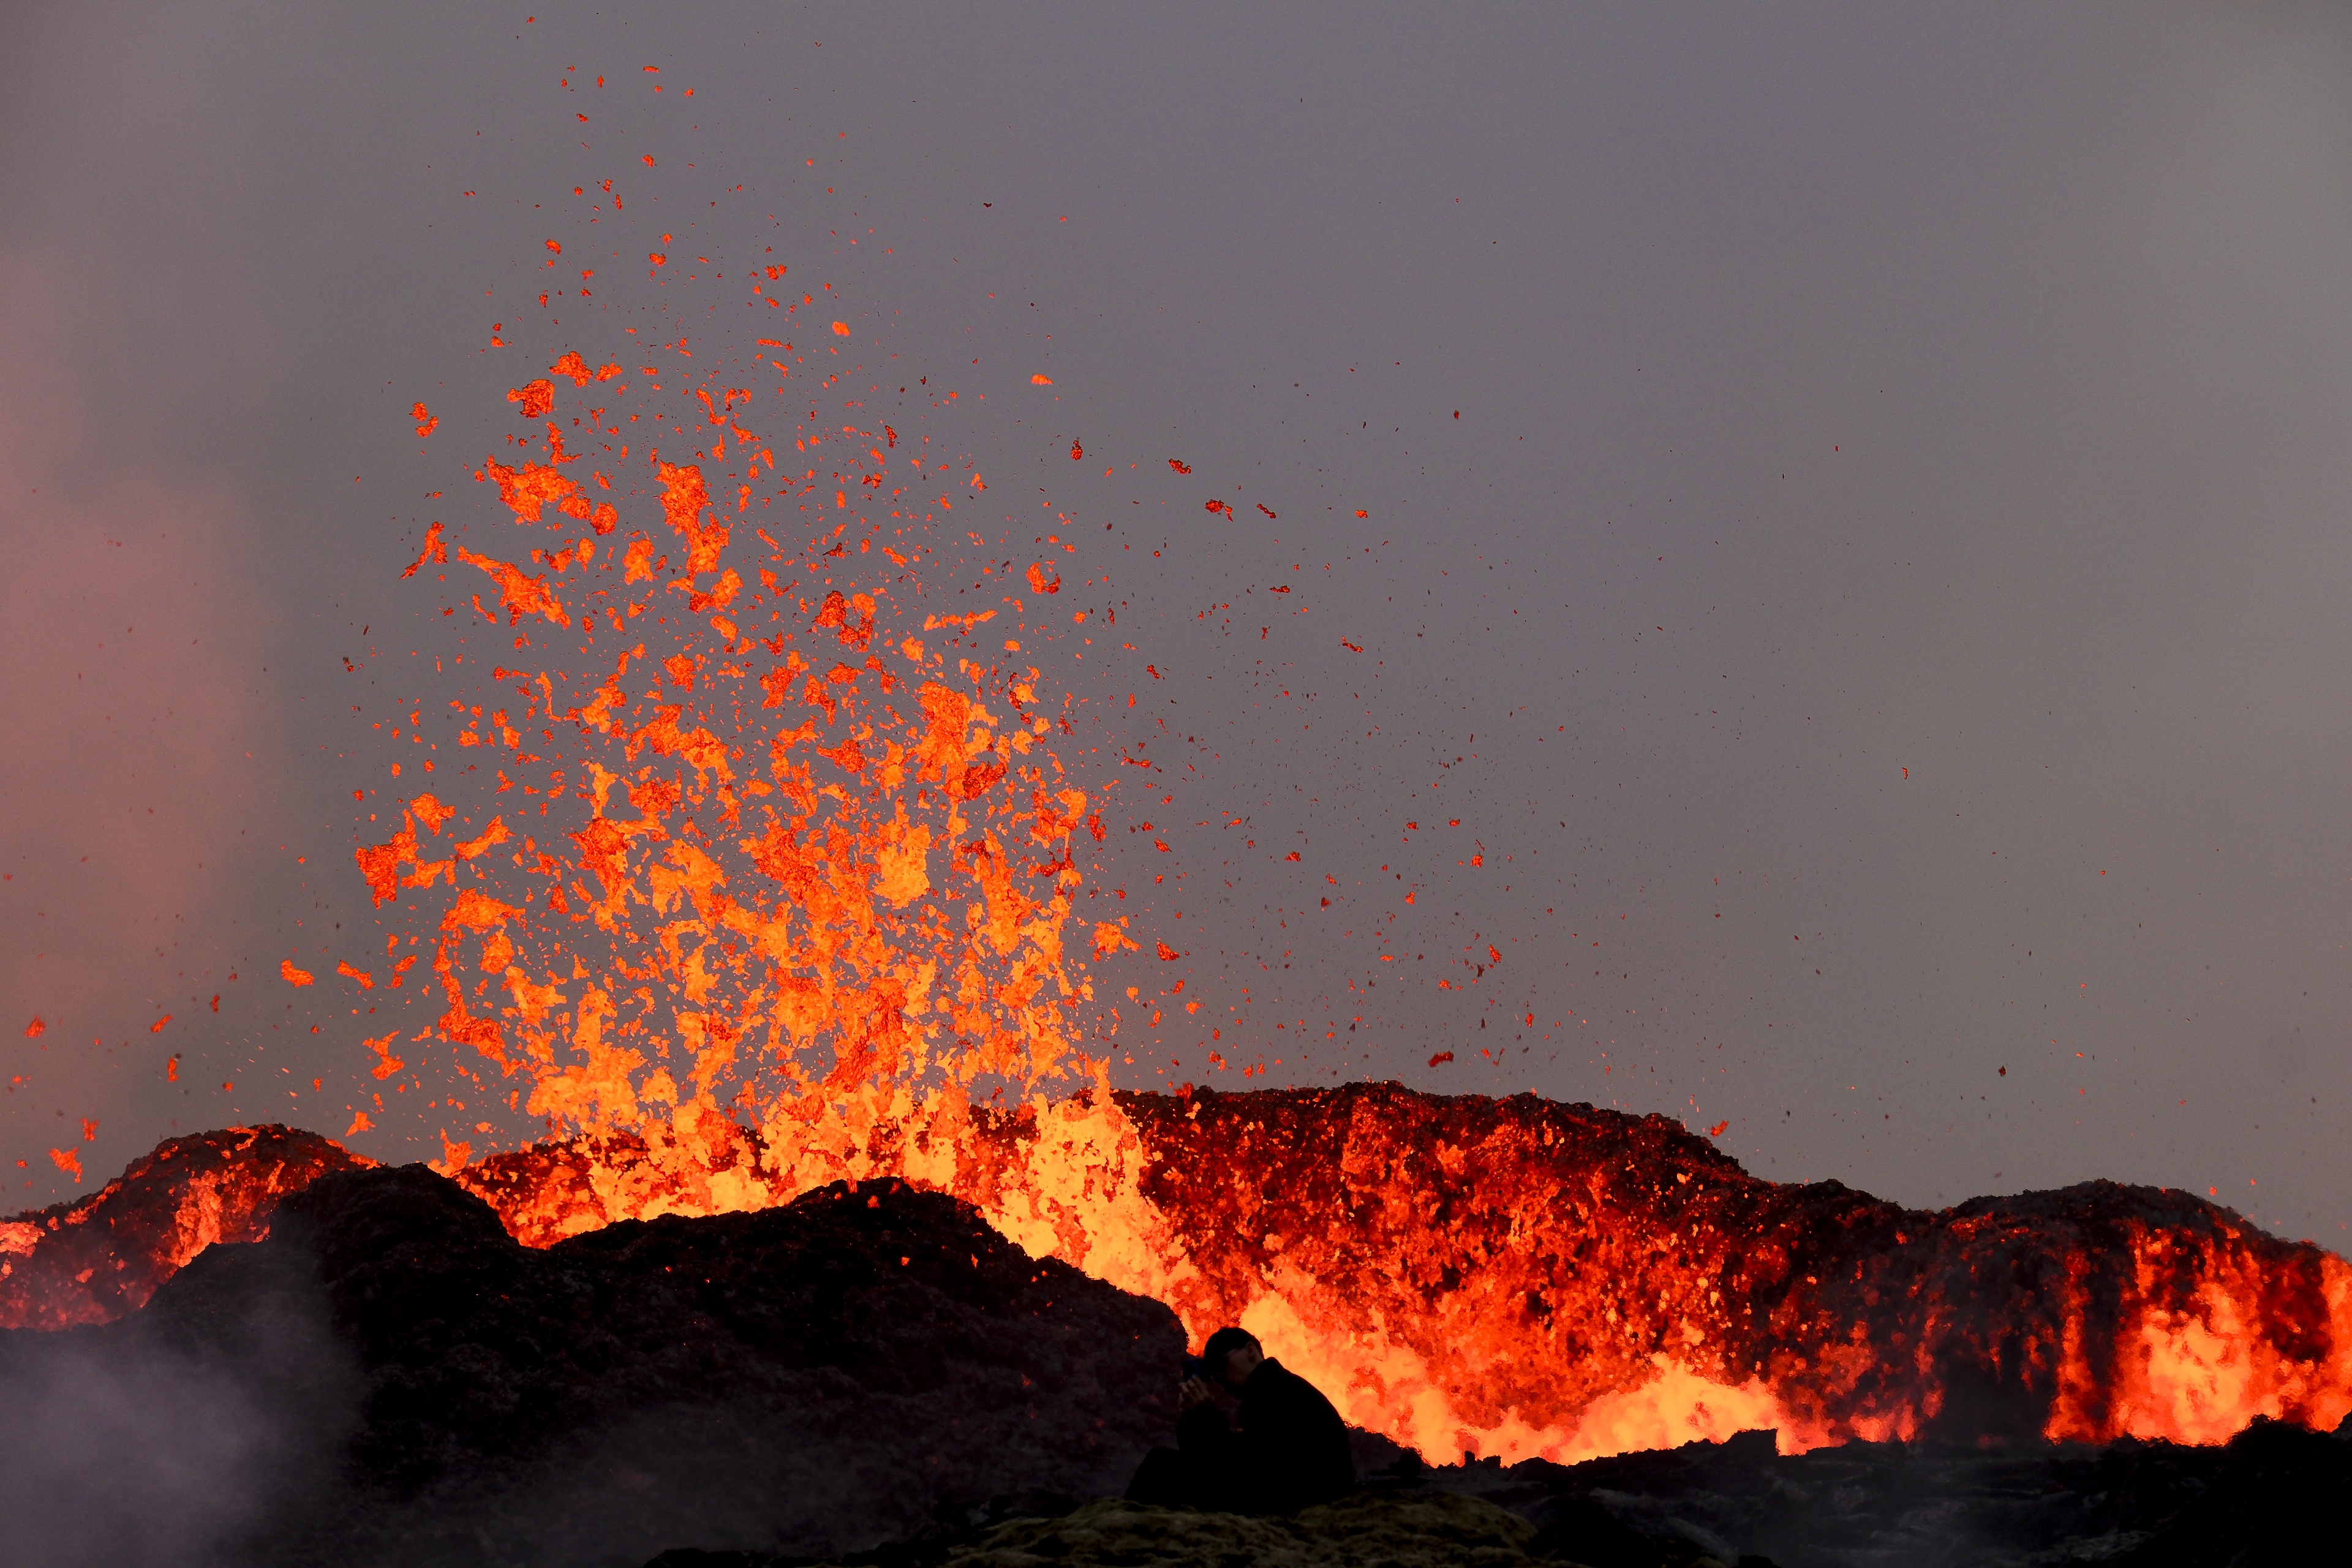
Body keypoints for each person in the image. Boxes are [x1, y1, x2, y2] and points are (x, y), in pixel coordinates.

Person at [1125, 1327, 1355, 1513]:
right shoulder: (1276, 1387)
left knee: (1159, 1465)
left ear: (1251, 1351)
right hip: (1306, 1491)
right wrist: (1195, 1419)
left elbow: (1245, 1466)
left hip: (1304, 1496)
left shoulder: (1274, 1391)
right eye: (1212, 1373)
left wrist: (1207, 1418)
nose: (1219, 1378)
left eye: (1221, 1365)